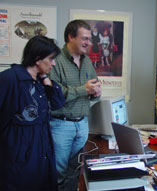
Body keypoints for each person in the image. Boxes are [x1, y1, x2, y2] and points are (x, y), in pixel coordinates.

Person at [0, 35, 65, 191]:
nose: (54, 64)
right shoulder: (10, 78)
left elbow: (58, 103)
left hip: (41, 145)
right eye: (51, 59)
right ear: (37, 59)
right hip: (18, 148)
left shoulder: (40, 79)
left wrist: (46, 80)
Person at [49, 20, 102, 191]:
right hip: (60, 125)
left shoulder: (87, 61)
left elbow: (92, 88)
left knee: (75, 172)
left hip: (82, 124)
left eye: (90, 39)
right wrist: (83, 89)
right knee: (58, 173)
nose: (88, 43)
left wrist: (95, 93)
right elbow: (54, 95)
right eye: (84, 38)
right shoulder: (54, 60)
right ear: (70, 37)